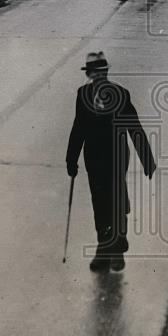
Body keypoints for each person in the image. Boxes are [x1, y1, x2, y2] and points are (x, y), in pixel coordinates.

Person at [66, 51, 156, 272]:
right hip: (93, 158)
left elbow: (134, 126)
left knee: (114, 198)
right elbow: (78, 128)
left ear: (106, 73)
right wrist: (71, 158)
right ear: (89, 75)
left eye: (101, 73)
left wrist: (147, 159)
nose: (97, 77)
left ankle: (116, 249)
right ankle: (103, 246)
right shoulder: (82, 94)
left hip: (116, 156)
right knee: (100, 203)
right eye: (93, 74)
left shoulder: (121, 94)